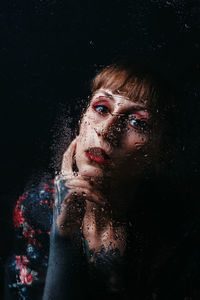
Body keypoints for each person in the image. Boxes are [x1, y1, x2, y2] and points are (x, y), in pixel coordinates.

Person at [5, 61, 200, 300]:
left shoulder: (179, 228)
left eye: (137, 122)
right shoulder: (39, 206)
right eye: (101, 108)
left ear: (163, 152)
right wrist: (63, 238)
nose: (107, 130)